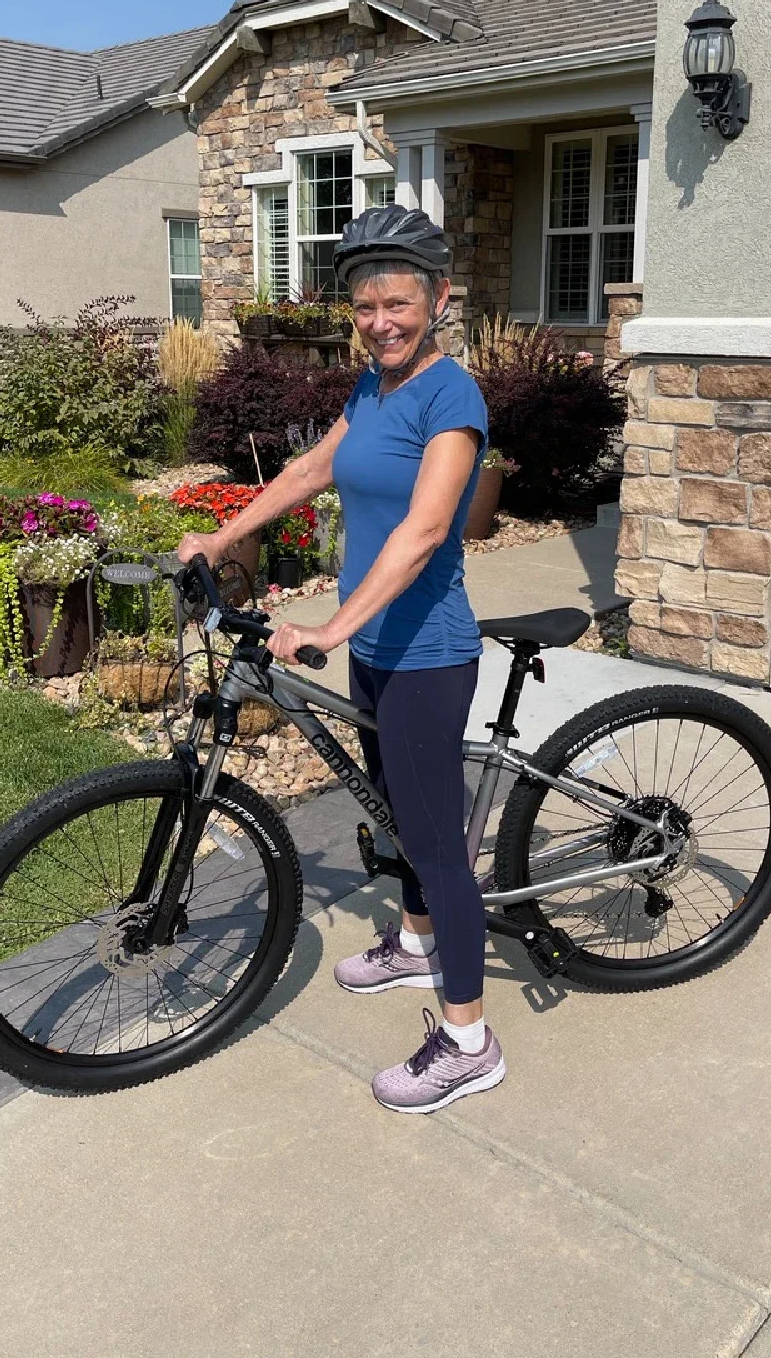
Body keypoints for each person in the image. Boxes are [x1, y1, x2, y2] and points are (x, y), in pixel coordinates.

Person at [177, 204, 503, 1113]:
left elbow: (426, 529)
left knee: (438, 846)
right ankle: (415, 941)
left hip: (427, 654)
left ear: (436, 299)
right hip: (378, 651)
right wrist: (222, 534)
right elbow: (309, 473)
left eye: (396, 304)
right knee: (392, 810)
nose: (380, 322)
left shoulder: (451, 396)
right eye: (364, 307)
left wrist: (332, 627)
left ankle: (470, 1040)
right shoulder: (371, 390)